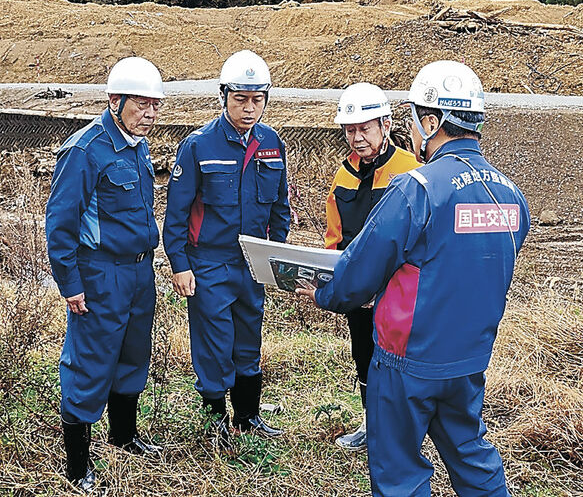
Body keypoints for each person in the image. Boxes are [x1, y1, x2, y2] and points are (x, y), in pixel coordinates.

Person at [298, 60, 530, 496]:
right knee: (470, 454)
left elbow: (360, 269)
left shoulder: (416, 188)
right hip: (468, 360)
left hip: (407, 361)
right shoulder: (512, 195)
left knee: (398, 471)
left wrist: (325, 294)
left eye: (415, 121)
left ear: (430, 121)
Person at [46, 57, 165, 493]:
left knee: (133, 355)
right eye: (142, 105)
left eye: (156, 106)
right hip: (100, 275)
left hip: (139, 273)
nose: (150, 115)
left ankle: (123, 435)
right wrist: (71, 284)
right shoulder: (85, 150)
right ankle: (77, 464)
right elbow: (60, 224)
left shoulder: (138, 145)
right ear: (115, 101)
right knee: (91, 362)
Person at [163, 50, 290, 445]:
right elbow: (176, 214)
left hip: (252, 264)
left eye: (258, 99)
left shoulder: (272, 144)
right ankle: (215, 422)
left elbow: (281, 209)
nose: (249, 108)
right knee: (214, 342)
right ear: (223, 96)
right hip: (210, 263)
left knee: (249, 337)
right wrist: (180, 264)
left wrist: (276, 258)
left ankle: (248, 417)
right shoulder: (199, 146)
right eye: (240, 99)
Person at [326, 82, 419, 452]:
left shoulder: (410, 171)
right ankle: (371, 424)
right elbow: (335, 236)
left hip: (396, 293)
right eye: (350, 130)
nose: (357, 137)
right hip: (358, 293)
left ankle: (402, 431)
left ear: (385, 124)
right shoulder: (343, 175)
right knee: (363, 356)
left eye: (365, 128)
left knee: (399, 362)